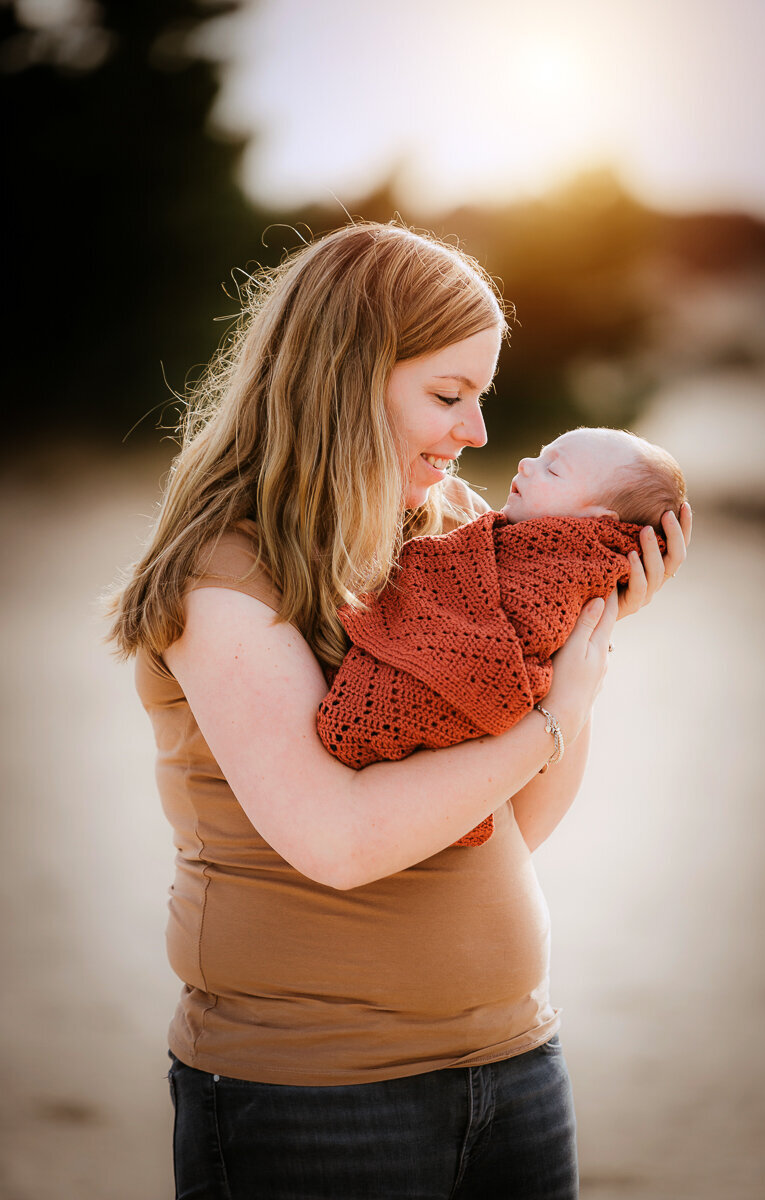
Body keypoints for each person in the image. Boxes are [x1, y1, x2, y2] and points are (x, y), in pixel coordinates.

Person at [109, 222, 690, 1200]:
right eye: (446, 396)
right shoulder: (226, 575)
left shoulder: (466, 544)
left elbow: (515, 824)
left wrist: (577, 631)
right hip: (314, 1095)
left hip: (514, 1058)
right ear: (342, 380)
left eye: (481, 399)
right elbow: (337, 841)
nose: (472, 434)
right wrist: (553, 715)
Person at [317, 426, 687, 848]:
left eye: (554, 470)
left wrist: (599, 624)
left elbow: (523, 829)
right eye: (538, 453)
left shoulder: (552, 582)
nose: (527, 465)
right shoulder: (490, 537)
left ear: (594, 524)